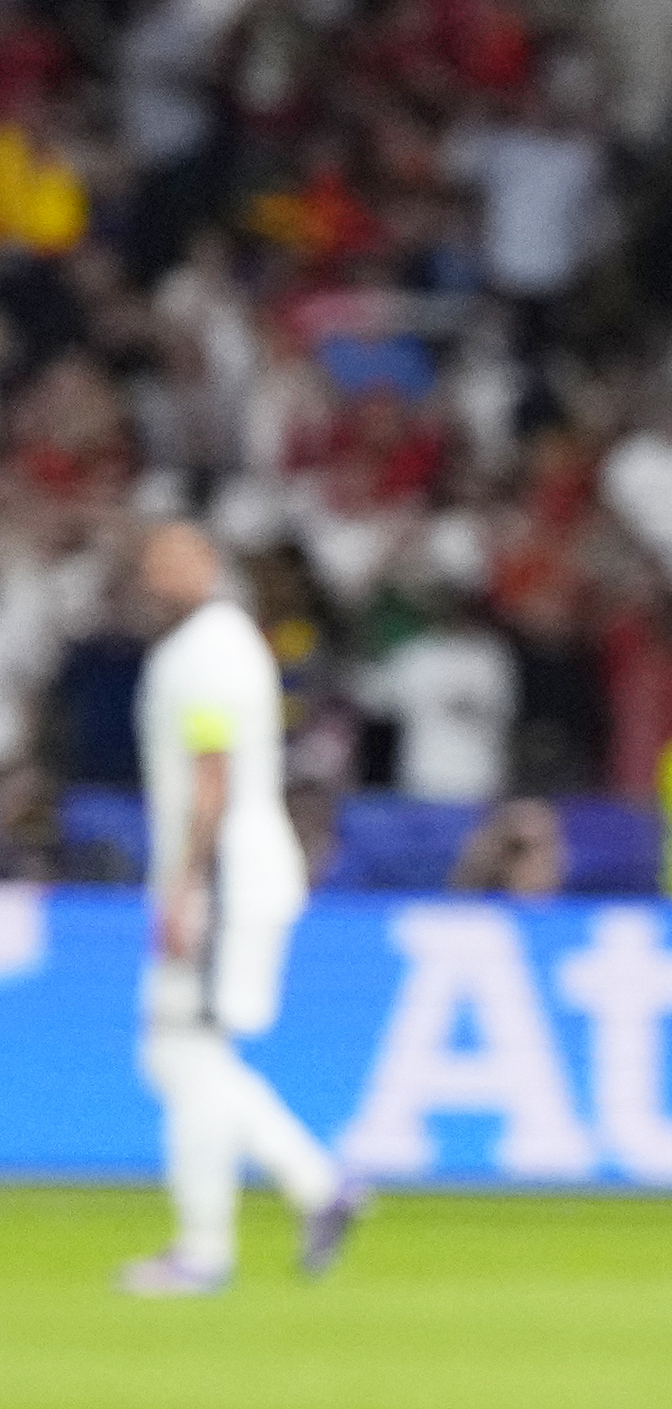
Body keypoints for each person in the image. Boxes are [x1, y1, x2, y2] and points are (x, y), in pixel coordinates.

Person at [120, 521, 368, 1296]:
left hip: (224, 877)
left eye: (166, 565)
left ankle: (204, 1249)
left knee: (186, 1055)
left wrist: (185, 888)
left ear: (203, 569)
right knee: (181, 1055)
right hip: (227, 873)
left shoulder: (207, 654)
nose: (152, 582)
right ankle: (317, 1187)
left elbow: (213, 775)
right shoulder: (214, 644)